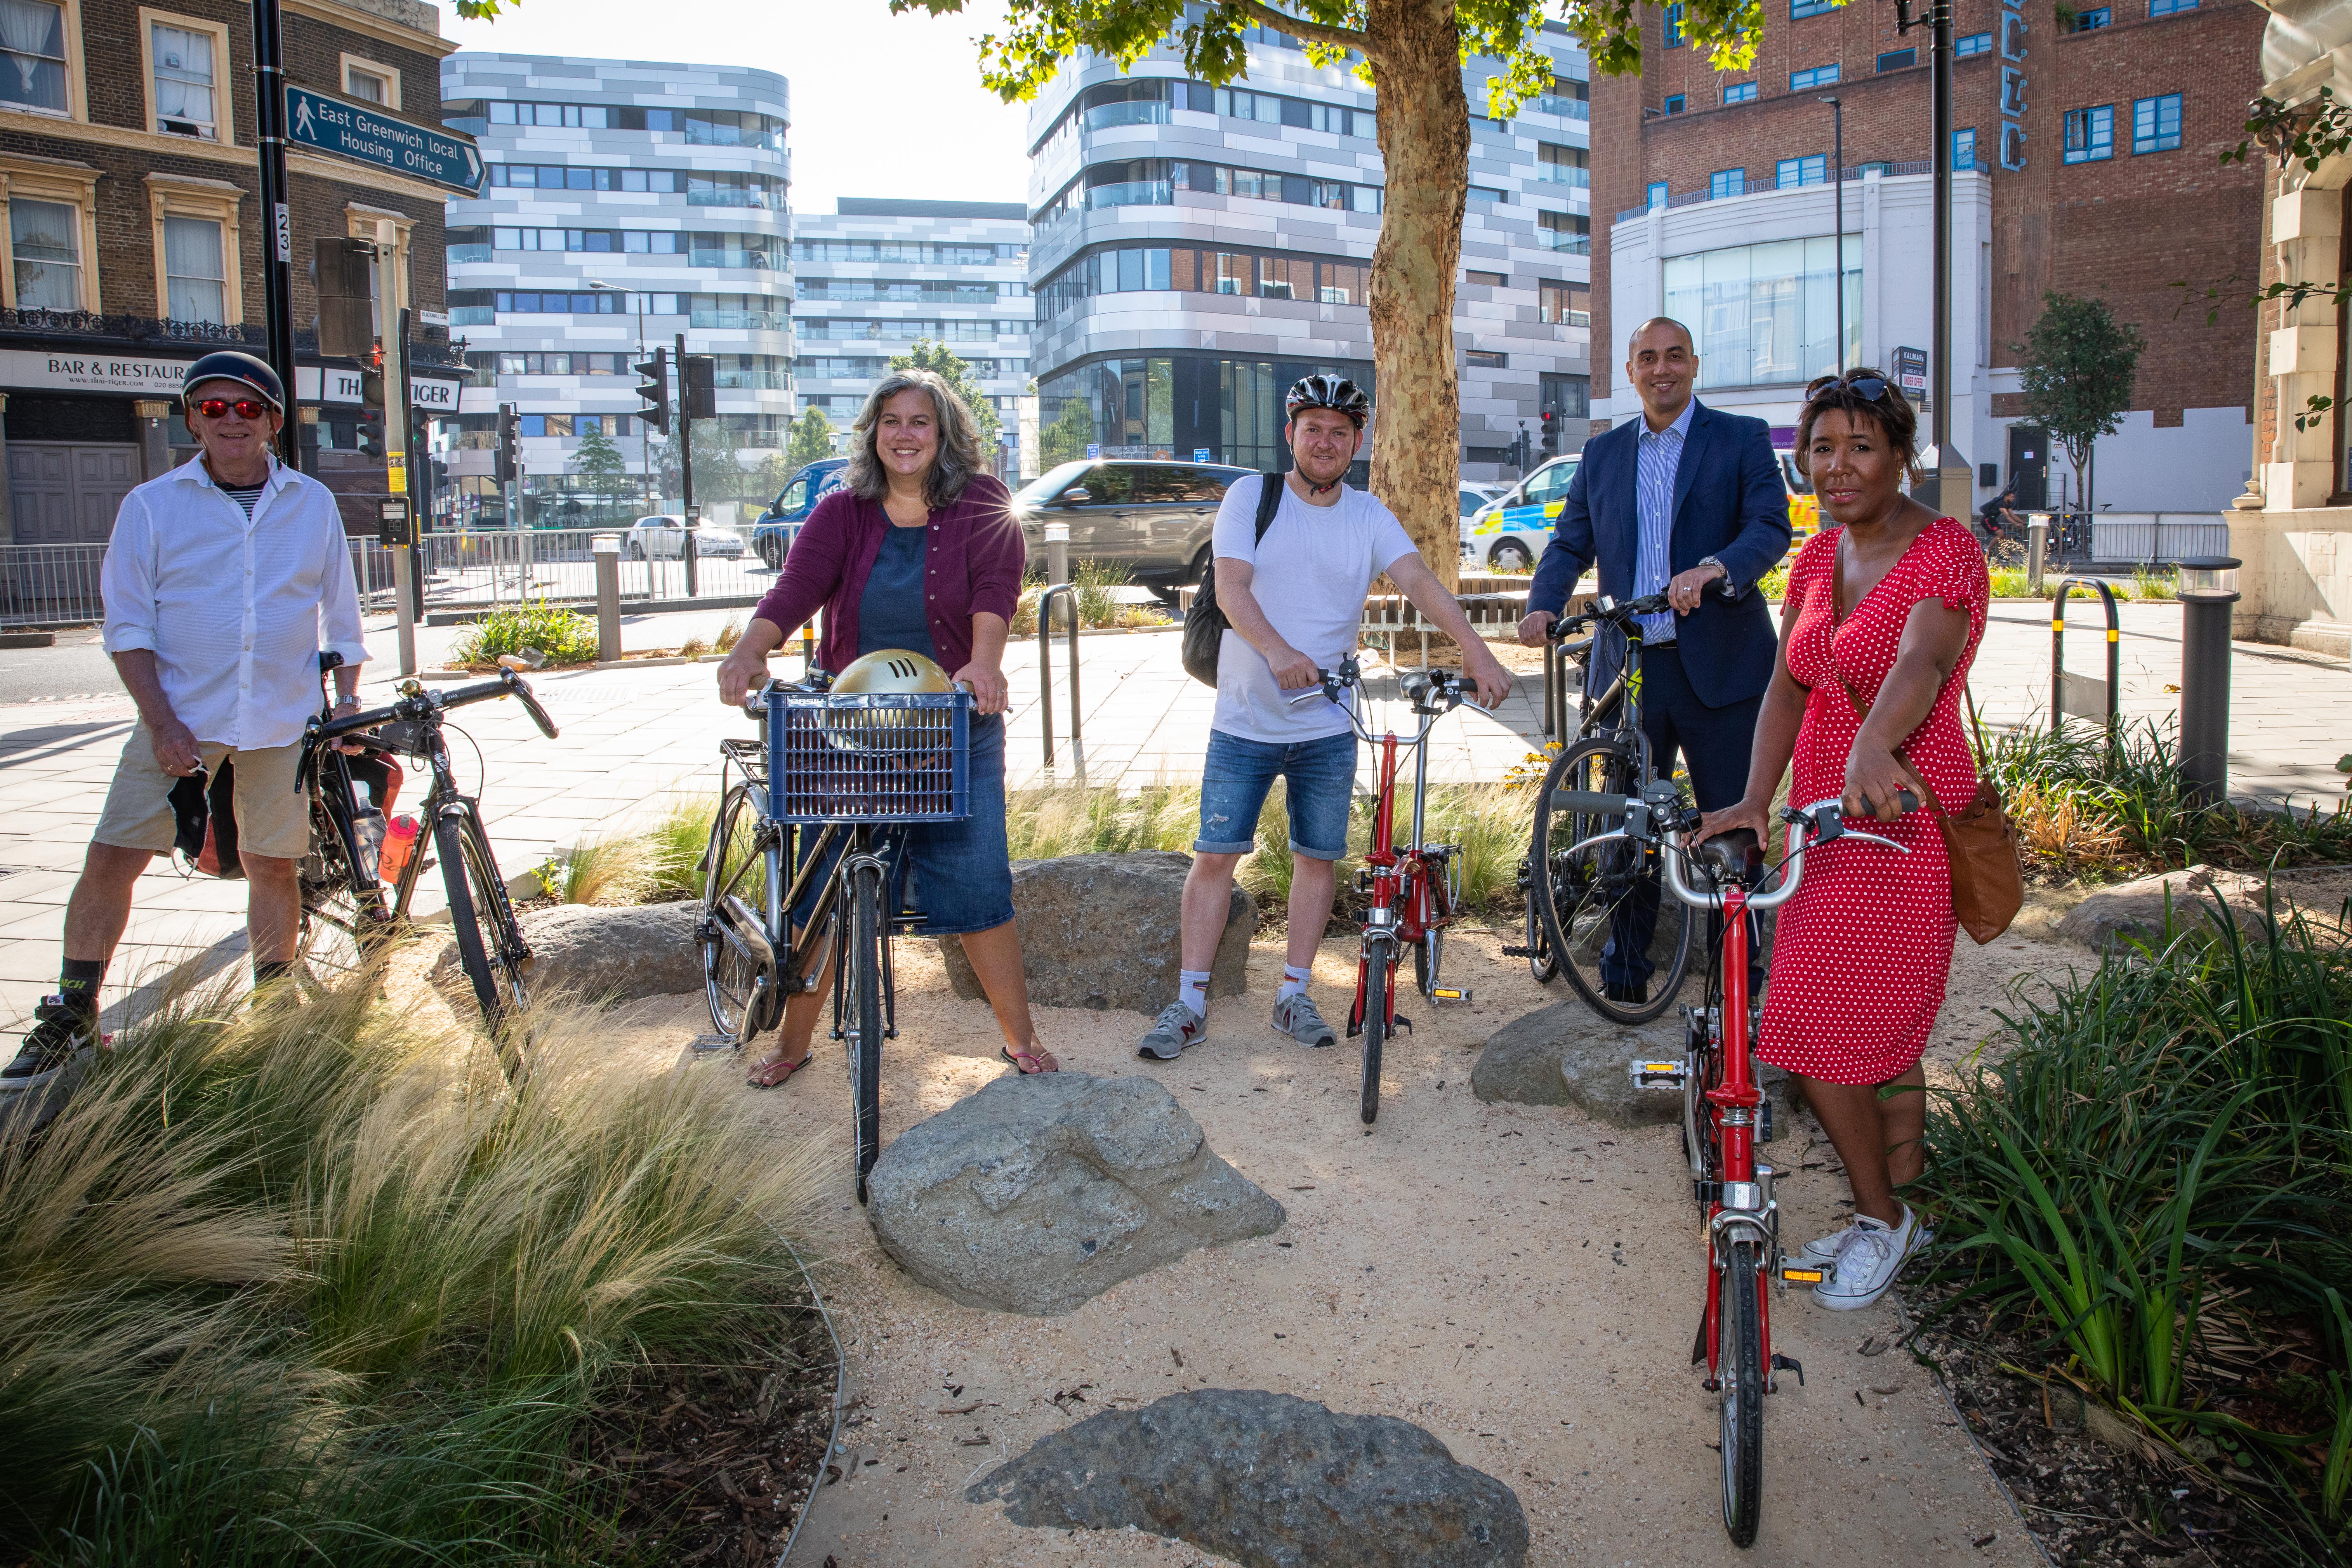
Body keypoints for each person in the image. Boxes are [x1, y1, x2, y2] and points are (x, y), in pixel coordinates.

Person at [1696, 369, 1989, 1311]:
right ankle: (1908, 1209)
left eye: (1860, 445)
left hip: (1899, 822)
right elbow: (1789, 684)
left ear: (1899, 455)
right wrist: (1751, 798)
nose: (1837, 465)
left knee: (1818, 1035)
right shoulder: (1818, 560)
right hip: (1822, 823)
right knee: (1881, 1039)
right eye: (1821, 448)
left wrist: (1871, 740)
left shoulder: (1944, 549)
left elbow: (1922, 658)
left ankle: (1881, 1218)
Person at [1, 352, 367, 1095]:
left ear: (271, 419)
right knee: (114, 856)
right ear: (192, 419)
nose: (229, 421)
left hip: (277, 720)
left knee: (272, 863)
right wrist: (162, 725)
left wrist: (350, 704)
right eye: (212, 408)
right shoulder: (151, 506)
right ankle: (73, 1009)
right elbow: (128, 628)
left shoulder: (311, 503)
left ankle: (274, 996)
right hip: (181, 719)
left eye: (245, 408)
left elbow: (344, 615)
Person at [1134, 375, 1514, 1061]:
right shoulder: (1253, 496)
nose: (1326, 441)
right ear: (1292, 435)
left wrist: (1477, 651)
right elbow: (1230, 587)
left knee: (1318, 859)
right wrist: (1280, 652)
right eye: (1313, 428)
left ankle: (1292, 994)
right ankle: (1189, 1003)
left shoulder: (1367, 514)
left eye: (1340, 432)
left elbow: (1421, 582)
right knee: (1215, 856)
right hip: (1245, 720)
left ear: (1356, 443)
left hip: (1328, 725)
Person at [714, 368, 1056, 1082]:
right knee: (823, 888)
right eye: (892, 421)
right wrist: (752, 648)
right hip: (851, 725)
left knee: (976, 880)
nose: (905, 435)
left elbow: (997, 588)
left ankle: (1020, 1038)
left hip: (951, 721)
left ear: (944, 435)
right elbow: (798, 587)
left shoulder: (983, 503)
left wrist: (984, 666)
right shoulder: (842, 511)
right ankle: (791, 1045)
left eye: (920, 422)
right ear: (874, 432)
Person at [1515, 317, 1793, 1003]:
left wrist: (1715, 569)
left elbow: (1770, 528)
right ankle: (1624, 971)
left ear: (1693, 365)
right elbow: (1568, 540)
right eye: (1647, 358)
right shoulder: (1602, 453)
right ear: (1631, 372)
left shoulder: (1740, 438)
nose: (1661, 369)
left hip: (1721, 669)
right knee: (1626, 825)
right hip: (1628, 667)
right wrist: (1542, 603)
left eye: (1674, 357)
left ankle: (1737, 981)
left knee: (1733, 826)